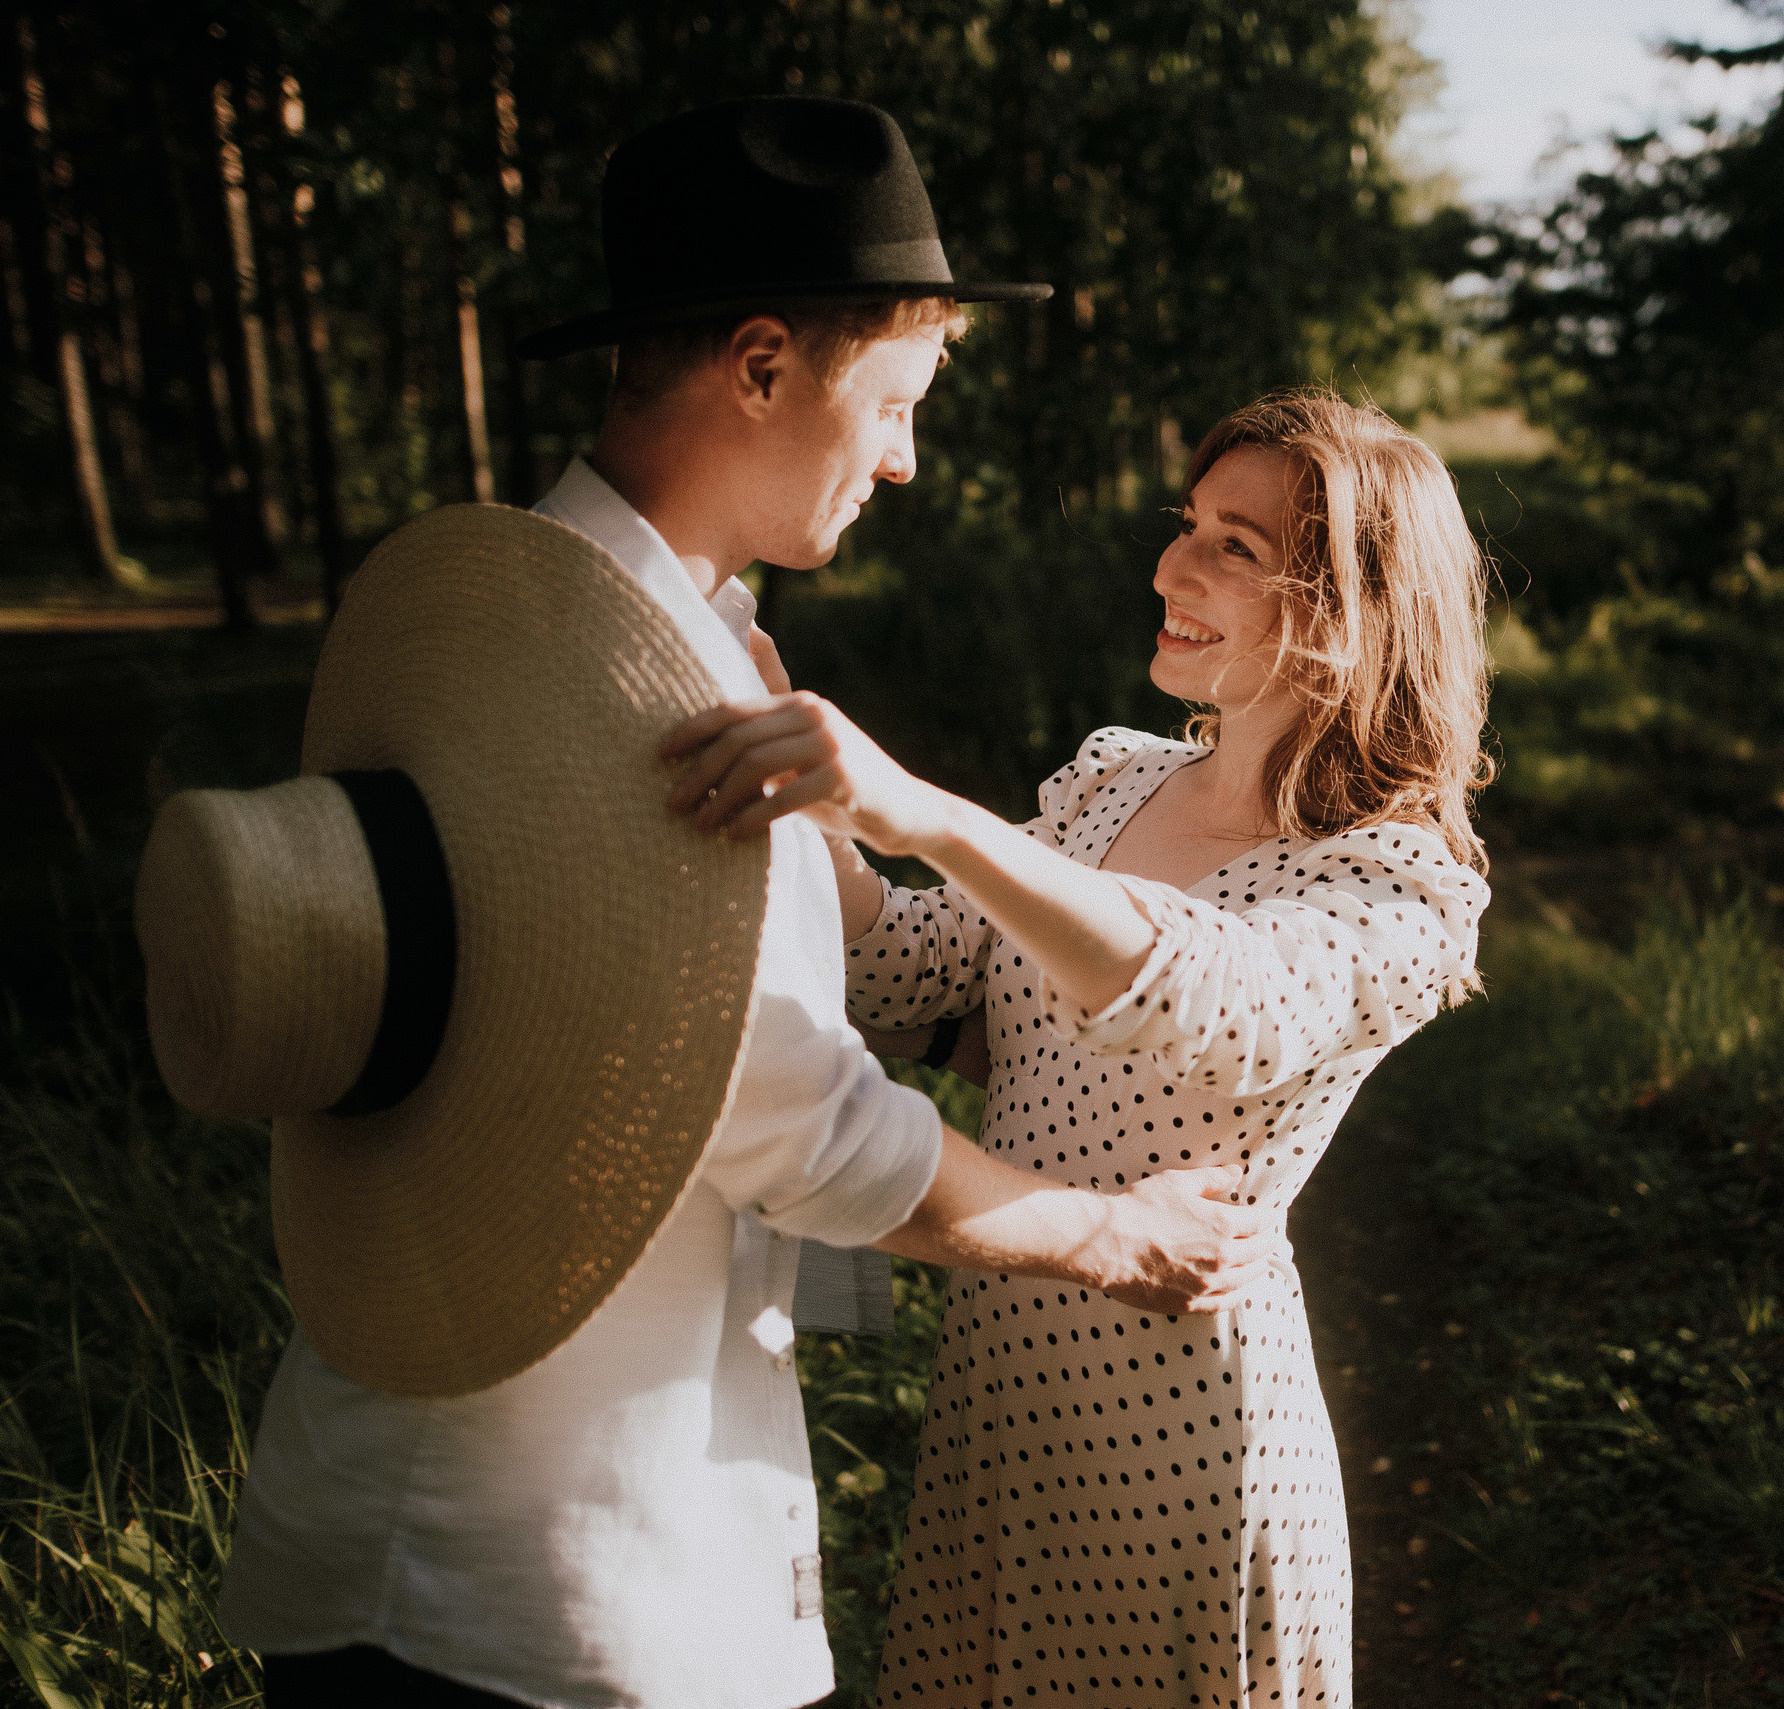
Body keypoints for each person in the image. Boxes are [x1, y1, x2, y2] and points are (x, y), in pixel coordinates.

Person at [191, 99, 1280, 1709]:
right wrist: (1115, 1233)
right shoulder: (643, 689)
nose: (908, 457)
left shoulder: (542, 618)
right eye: (898, 401)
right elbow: (797, 1125)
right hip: (547, 1561)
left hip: (399, 1488)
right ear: (763, 366)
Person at [662, 388, 1495, 1707]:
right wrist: (804, 788)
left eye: (1239, 545)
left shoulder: (1398, 886)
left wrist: (922, 810)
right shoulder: (1115, 782)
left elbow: (1218, 996)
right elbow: (904, 971)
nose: (1174, 564)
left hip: (1181, 1454)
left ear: (1348, 608)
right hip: (1000, 1400)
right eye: (1190, 524)